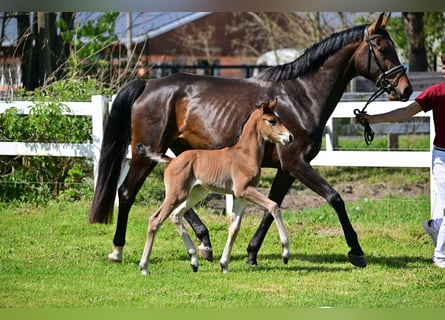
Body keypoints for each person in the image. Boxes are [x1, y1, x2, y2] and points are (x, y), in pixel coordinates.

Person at [356, 53, 445, 269]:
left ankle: (435, 226)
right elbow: (405, 112)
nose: (443, 68)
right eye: (443, 64)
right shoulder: (436, 92)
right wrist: (373, 119)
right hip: (442, 157)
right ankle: (440, 256)